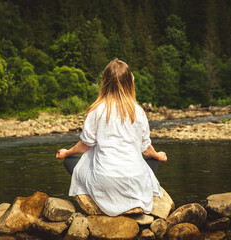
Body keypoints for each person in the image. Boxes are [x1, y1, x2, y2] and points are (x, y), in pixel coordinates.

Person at [56, 59, 167, 216]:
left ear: (105, 82)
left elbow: (85, 145)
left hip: (105, 182)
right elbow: (146, 149)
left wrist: (66, 153)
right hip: (134, 182)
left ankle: (105, 199)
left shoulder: (96, 110)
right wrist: (157, 156)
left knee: (70, 161)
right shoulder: (139, 111)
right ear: (130, 83)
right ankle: (132, 197)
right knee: (151, 162)